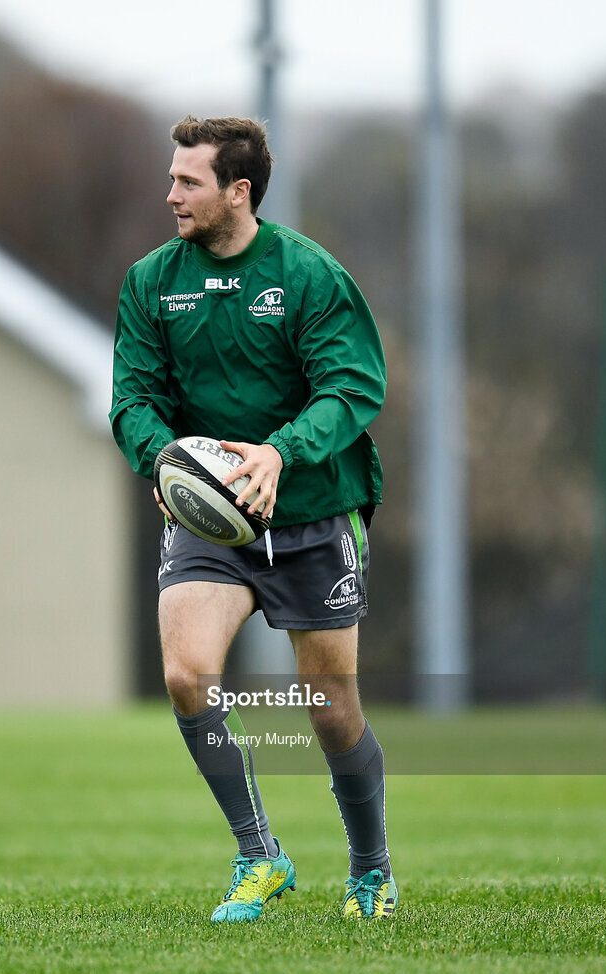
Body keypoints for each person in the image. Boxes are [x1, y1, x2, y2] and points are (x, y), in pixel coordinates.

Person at [110, 115, 395, 923]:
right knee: (183, 675)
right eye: (171, 178)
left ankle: (371, 869)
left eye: (187, 181)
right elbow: (133, 395)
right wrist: (162, 460)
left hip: (310, 510)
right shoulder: (151, 281)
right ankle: (258, 855)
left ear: (238, 191)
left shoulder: (307, 275)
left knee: (330, 709)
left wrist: (278, 453)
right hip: (211, 520)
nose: (170, 194)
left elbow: (351, 385)